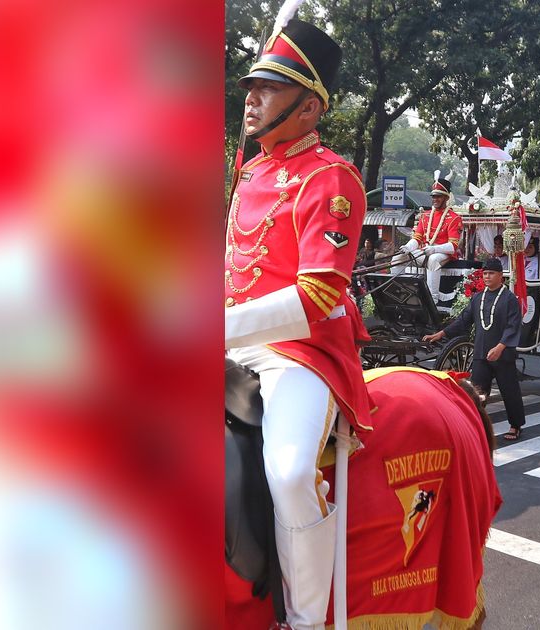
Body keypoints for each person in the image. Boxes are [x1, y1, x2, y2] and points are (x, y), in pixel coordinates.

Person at [224, 18, 372, 630]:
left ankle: (307, 620)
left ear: (309, 108)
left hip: (299, 354)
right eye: (251, 85)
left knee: (287, 472)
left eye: (269, 88)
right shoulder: (251, 171)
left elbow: (317, 294)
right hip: (236, 345)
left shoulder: (331, 179)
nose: (251, 97)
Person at [422, 258, 527, 440]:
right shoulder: (478, 297)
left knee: (509, 391)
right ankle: (473, 425)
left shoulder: (509, 299)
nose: (487, 276)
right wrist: (441, 334)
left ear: (501, 276)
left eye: (491, 273)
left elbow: (513, 326)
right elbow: (463, 320)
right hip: (481, 353)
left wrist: (500, 347)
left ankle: (515, 425)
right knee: (476, 392)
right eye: (485, 273)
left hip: (502, 354)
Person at [390, 174, 463, 299]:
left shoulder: (454, 218)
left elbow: (453, 246)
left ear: (446, 198)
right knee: (397, 258)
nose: (435, 199)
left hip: (443, 253)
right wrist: (407, 247)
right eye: (433, 196)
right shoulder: (425, 215)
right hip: (424, 251)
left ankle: (432, 299)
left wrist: (434, 249)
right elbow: (417, 238)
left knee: (433, 259)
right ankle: (401, 293)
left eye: (438, 196)